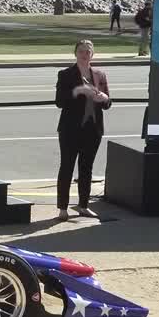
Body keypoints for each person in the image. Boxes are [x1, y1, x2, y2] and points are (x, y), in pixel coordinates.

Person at [54, 40, 111, 221]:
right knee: (67, 167)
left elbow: (108, 104)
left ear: (92, 54)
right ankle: (63, 208)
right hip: (71, 129)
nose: (84, 55)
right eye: (81, 51)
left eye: (87, 52)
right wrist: (80, 91)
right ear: (75, 53)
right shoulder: (65, 74)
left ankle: (83, 205)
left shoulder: (100, 74)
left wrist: (104, 98)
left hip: (93, 130)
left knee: (86, 168)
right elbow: (60, 102)